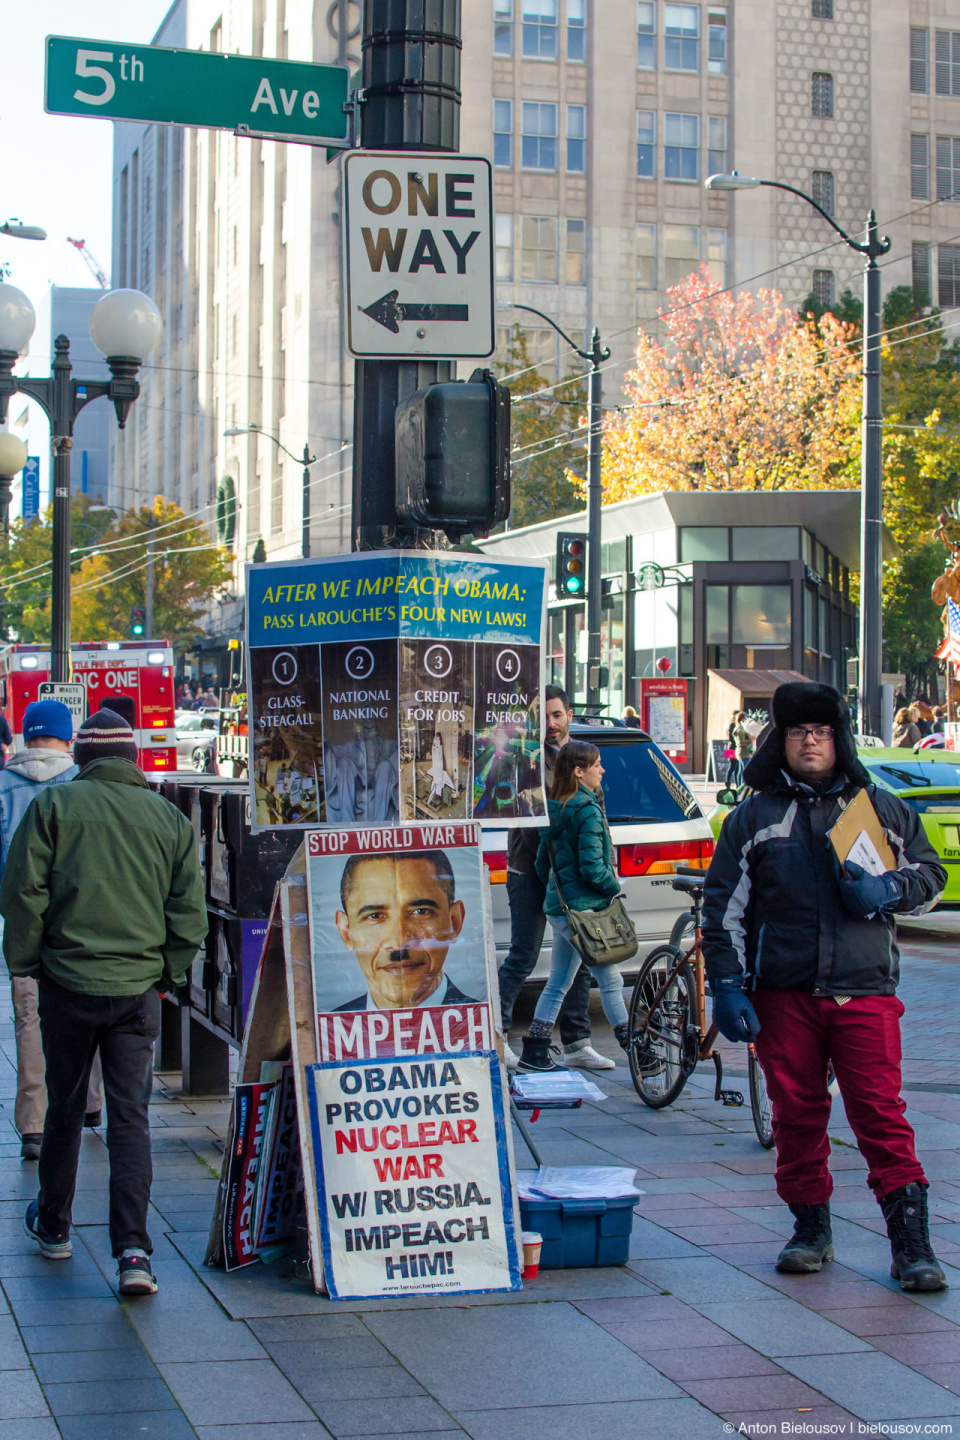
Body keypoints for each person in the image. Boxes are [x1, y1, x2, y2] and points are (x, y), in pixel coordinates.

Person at [702, 681, 948, 1291]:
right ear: (779, 741)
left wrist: (889, 890)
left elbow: (932, 877)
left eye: (820, 732)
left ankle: (911, 1247)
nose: (809, 742)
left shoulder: (882, 809)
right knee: (797, 1117)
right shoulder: (752, 819)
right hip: (784, 996)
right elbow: (721, 912)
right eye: (796, 732)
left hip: (864, 991)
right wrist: (727, 986)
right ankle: (810, 1230)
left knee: (881, 1118)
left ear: (837, 739)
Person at [0, 709, 207, 1296]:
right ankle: (134, 1252)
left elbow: (21, 894)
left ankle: (55, 1225)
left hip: (67, 985)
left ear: (83, 758)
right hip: (136, 991)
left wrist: (29, 962)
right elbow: (188, 916)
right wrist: (164, 973)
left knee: (65, 1110)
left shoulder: (53, 809)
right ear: (132, 757)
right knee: (130, 1117)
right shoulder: (168, 819)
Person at [2, 701, 103, 1162]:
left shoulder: (2, 786)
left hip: (25, 924)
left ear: (25, 737)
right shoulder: (83, 785)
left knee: (30, 1018)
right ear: (69, 738)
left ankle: (34, 1124)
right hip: (80, 922)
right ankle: (90, 1103)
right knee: (94, 1007)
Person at [498, 686, 611, 1072]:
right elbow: (531, 828)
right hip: (530, 871)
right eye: (543, 717)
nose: (551, 724)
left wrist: (603, 867)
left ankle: (577, 1042)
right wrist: (554, 874)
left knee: (579, 955)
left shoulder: (583, 756)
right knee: (523, 956)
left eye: (557, 715)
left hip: (571, 876)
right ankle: (497, 1039)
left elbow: (598, 817)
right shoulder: (523, 760)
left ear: (569, 716)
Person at [517, 741, 632, 1073]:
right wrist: (615, 888)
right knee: (611, 981)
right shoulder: (588, 811)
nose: (602, 770)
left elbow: (542, 862)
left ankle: (534, 1053)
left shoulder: (555, 808)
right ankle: (638, 1051)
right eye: (597, 764)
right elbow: (594, 868)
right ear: (579, 772)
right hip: (585, 912)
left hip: (561, 908)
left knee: (559, 981)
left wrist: (558, 889)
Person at [333, 851, 477, 1010]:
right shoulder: (329, 1029)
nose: (399, 943)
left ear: (454, 922)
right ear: (346, 932)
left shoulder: (481, 1022)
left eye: (421, 912)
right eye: (374, 916)